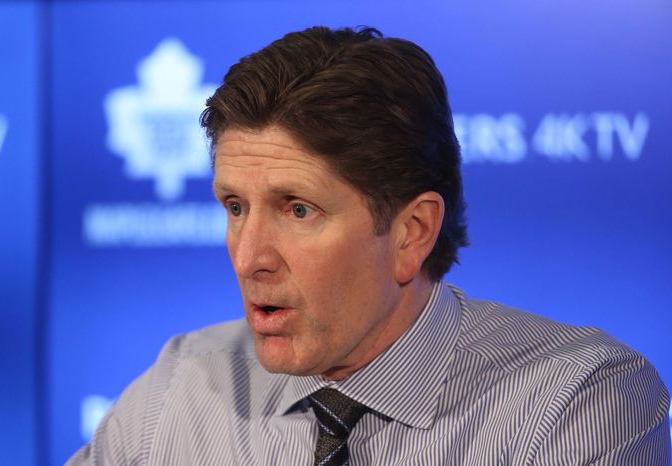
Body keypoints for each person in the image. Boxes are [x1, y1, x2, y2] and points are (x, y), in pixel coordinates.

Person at [68, 26, 670, 465]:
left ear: (411, 233)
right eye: (235, 207)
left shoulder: (572, 405)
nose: (249, 257)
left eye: (297, 209)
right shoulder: (179, 389)